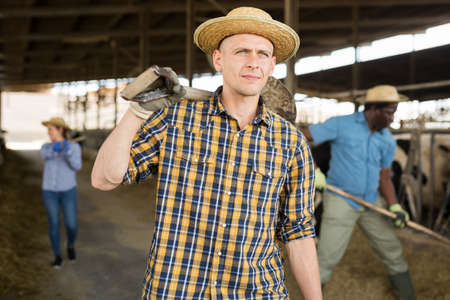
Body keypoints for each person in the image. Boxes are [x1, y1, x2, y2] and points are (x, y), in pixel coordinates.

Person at [91, 6, 322, 300]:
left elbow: (298, 232)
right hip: (177, 290)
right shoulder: (175, 119)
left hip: (257, 292)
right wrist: (136, 113)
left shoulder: (290, 142)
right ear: (218, 59)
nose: (253, 62)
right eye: (241, 52)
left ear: (272, 65)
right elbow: (103, 179)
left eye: (262, 54)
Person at [301, 85, 415, 300]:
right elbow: (300, 137)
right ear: (373, 108)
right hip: (340, 199)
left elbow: (384, 177)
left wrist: (394, 205)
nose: (393, 119)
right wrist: (313, 169)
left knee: (393, 251)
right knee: (326, 258)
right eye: (390, 112)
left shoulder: (387, 140)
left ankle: (406, 295)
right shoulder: (342, 125)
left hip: (372, 202)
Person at [41, 117, 82, 268]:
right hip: (49, 191)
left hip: (68, 190)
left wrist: (68, 151)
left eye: (50, 129)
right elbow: (45, 156)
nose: (48, 132)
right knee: (54, 223)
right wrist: (56, 148)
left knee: (71, 224)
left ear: (60, 129)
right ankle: (57, 256)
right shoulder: (46, 146)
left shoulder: (74, 146)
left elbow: (77, 166)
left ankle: (70, 244)